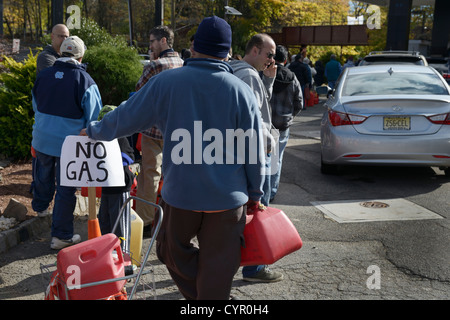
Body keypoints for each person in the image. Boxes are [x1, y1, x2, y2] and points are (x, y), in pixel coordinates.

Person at [81, 16, 264, 300]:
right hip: (228, 200)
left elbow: (127, 115)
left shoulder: (166, 82)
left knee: (169, 249)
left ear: (194, 46)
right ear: (227, 52)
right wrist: (256, 192)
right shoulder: (241, 91)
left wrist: (93, 131)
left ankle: (204, 294)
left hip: (181, 195)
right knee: (219, 267)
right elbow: (253, 150)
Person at [31, 36, 102, 250]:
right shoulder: (86, 81)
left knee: (42, 174)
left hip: (42, 137)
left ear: (61, 53)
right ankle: (61, 235)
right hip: (69, 145)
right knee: (65, 188)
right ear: (81, 56)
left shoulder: (43, 75)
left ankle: (40, 208)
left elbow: (36, 105)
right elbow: (93, 118)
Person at [229, 34, 284, 283]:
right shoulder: (249, 75)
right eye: (269, 54)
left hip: (237, 151)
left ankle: (245, 264)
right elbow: (256, 120)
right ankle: (254, 267)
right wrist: (268, 145)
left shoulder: (238, 70)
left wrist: (268, 82)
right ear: (254, 50)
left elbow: (259, 106)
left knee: (244, 211)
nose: (272, 60)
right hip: (253, 150)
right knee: (257, 205)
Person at [134, 26, 184, 235]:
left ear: (163, 41)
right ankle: (172, 218)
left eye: (152, 41)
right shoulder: (183, 63)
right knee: (174, 175)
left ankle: (146, 221)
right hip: (178, 129)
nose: (150, 46)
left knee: (150, 175)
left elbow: (138, 91)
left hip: (153, 130)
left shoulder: (155, 65)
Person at [97, 105, 135, 253]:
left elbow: (129, 157)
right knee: (105, 221)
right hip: (106, 186)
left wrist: (111, 155)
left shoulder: (120, 138)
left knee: (120, 224)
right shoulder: (99, 138)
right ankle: (108, 254)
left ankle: (123, 256)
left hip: (120, 186)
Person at [270, 45, 303, 202]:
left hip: (265, 124)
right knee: (277, 159)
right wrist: (290, 116)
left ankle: (260, 192)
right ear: (285, 59)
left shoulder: (264, 75)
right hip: (283, 124)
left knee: (261, 159)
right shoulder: (292, 77)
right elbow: (299, 103)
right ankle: (272, 192)